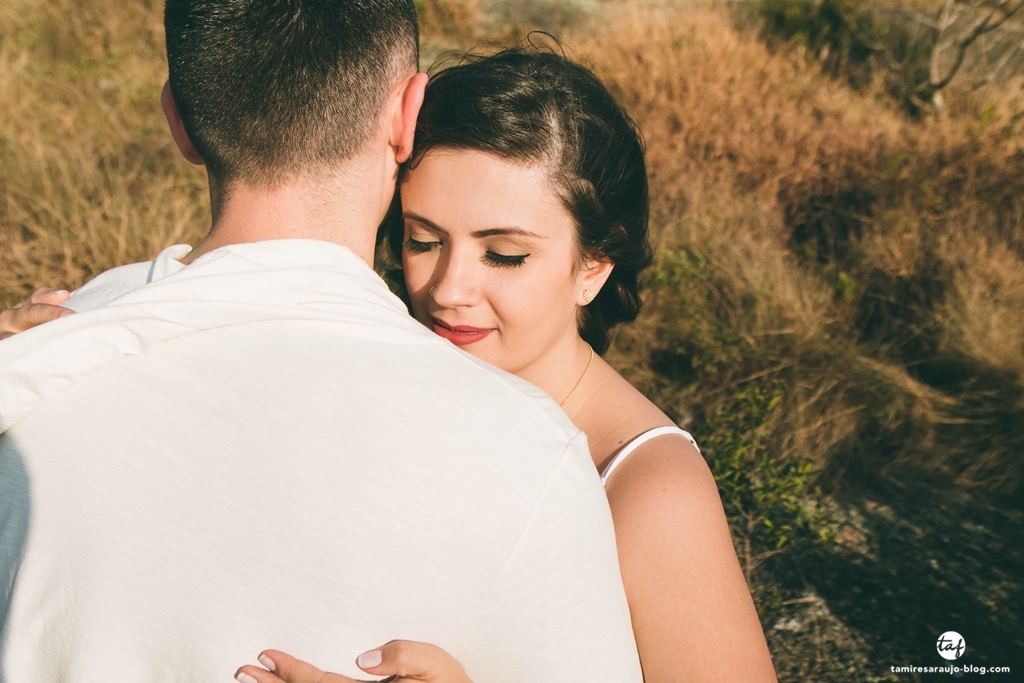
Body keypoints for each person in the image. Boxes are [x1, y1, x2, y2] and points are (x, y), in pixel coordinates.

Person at [2, 50, 778, 682]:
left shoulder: (648, 483)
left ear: (593, 269)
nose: (447, 289)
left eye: (505, 254)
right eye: (422, 238)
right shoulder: (380, 370)